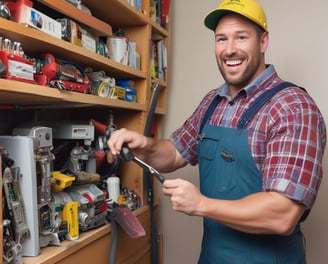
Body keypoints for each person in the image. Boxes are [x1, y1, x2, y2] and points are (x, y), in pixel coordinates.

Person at [107, 0, 327, 263]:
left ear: (263, 42)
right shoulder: (213, 102)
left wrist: (201, 204)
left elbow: (283, 214)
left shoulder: (293, 107)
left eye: (241, 37)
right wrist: (144, 145)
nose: (230, 49)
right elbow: (176, 153)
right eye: (221, 39)